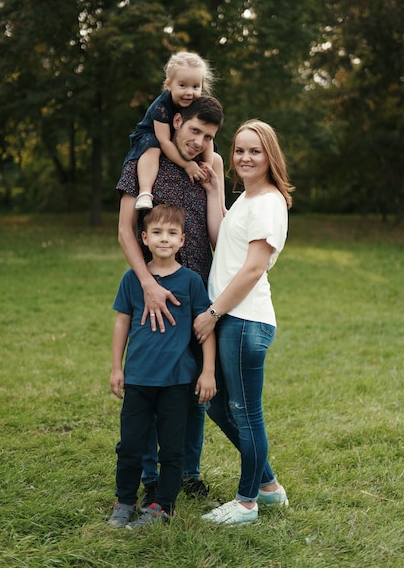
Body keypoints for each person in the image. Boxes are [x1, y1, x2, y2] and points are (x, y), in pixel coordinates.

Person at [116, 96, 224, 505]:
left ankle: (188, 473)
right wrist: (145, 283)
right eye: (194, 130)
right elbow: (127, 231)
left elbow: (218, 232)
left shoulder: (210, 165)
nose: (198, 141)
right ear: (176, 121)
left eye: (207, 136)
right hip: (154, 292)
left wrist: (217, 190)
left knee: (192, 388)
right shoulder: (145, 160)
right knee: (149, 384)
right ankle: (148, 475)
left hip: (196, 290)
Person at [193, 119, 294, 525]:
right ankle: (267, 485)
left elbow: (253, 269)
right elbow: (221, 239)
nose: (246, 157)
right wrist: (215, 183)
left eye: (255, 150)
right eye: (239, 150)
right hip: (232, 320)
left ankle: (247, 502)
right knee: (217, 404)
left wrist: (213, 313)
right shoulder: (247, 201)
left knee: (245, 411)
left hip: (244, 321)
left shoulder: (269, 201)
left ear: (270, 155)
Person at [108, 204, 217, 529]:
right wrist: (117, 368)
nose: (164, 239)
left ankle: (162, 506)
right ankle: (125, 501)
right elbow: (121, 324)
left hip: (176, 381)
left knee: (171, 448)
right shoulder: (133, 279)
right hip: (139, 378)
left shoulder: (192, 281)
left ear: (183, 240)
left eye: (172, 233)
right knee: (130, 445)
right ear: (144, 238)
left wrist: (207, 371)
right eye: (157, 232)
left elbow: (205, 330)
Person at [124, 51, 225, 212]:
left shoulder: (196, 104)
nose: (189, 92)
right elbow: (164, 141)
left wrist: (207, 164)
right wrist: (187, 165)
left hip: (178, 137)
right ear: (169, 85)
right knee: (153, 146)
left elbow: (208, 136)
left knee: (213, 153)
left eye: (195, 86)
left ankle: (222, 207)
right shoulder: (161, 106)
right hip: (153, 135)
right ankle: (145, 192)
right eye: (182, 85)